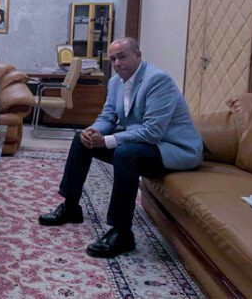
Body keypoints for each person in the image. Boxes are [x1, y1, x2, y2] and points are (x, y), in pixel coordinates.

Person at [38, 37, 202, 258]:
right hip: (142, 143)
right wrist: (93, 131)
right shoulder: (115, 82)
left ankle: (122, 233)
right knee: (81, 139)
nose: (117, 63)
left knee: (125, 153)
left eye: (122, 57)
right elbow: (108, 116)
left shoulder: (158, 81)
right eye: (113, 58)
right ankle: (70, 207)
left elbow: (152, 132)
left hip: (171, 148)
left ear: (138, 55)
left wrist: (107, 140)